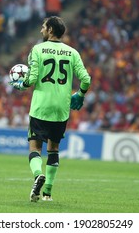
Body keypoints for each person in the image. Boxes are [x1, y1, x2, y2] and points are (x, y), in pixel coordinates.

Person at [9, 16, 91, 202]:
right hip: (61, 109)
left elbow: (32, 77)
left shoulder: (37, 50)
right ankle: (47, 193)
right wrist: (80, 94)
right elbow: (86, 79)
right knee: (53, 149)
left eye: (44, 27)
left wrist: (22, 85)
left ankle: (38, 175)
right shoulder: (72, 53)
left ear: (51, 30)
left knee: (35, 147)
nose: (41, 30)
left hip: (41, 108)